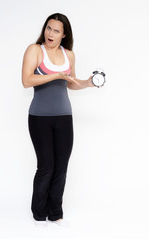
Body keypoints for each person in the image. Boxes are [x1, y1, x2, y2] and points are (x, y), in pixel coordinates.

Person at [22, 13, 97, 227]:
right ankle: (39, 215)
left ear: (64, 35)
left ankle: (55, 213)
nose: (50, 34)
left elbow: (71, 83)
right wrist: (55, 75)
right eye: (48, 28)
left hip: (64, 117)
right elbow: (27, 80)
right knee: (46, 166)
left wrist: (88, 83)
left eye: (56, 30)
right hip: (39, 117)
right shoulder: (35, 50)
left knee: (61, 167)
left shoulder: (69, 55)